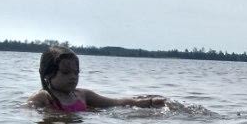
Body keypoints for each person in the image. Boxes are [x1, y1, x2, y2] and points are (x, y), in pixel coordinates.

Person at [28, 46, 165, 111]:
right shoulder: (44, 97)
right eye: (66, 72)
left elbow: (117, 102)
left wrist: (149, 102)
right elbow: (25, 111)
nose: (73, 77)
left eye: (76, 73)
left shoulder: (83, 95)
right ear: (47, 74)